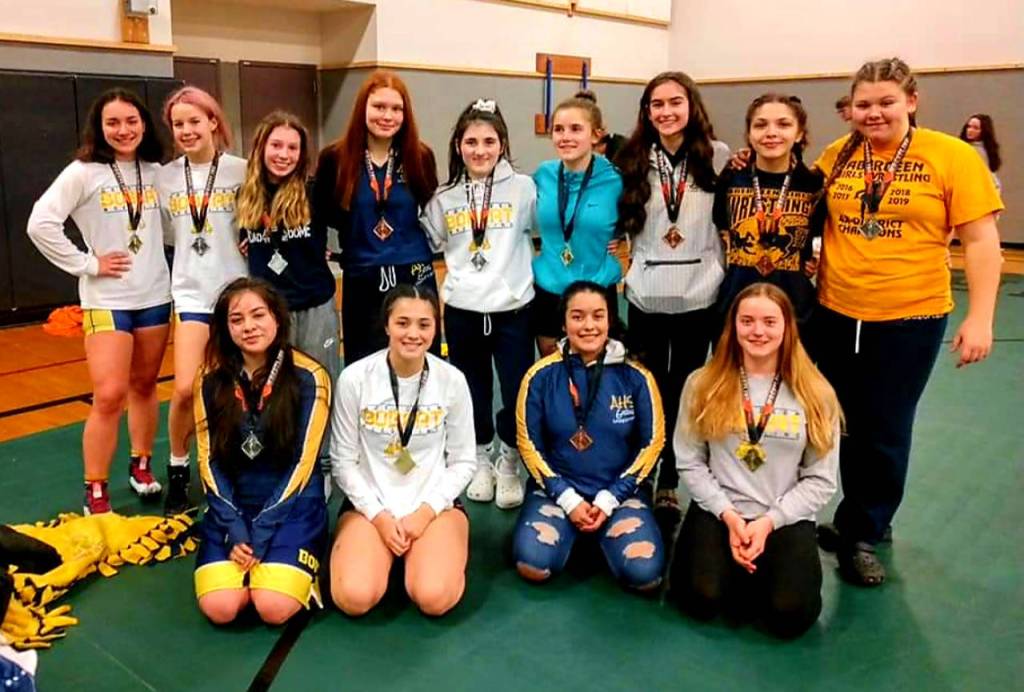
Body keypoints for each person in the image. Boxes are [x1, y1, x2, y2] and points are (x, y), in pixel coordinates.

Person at [813, 58, 1002, 586]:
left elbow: (982, 240)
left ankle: (864, 533)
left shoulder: (950, 156)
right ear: (851, 108)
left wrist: (981, 316)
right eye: (863, 104)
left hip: (908, 316)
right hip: (836, 309)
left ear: (911, 102)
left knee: (886, 428)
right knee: (845, 423)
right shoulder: (839, 154)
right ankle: (860, 513)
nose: (873, 113)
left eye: (886, 102)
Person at [27, 88, 170, 514]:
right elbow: (41, 223)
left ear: (144, 124)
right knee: (109, 394)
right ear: (99, 127)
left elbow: (173, 228)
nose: (123, 130)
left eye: (131, 121)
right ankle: (96, 487)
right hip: (106, 300)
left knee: (145, 386)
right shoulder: (82, 172)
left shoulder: (156, 172)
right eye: (113, 122)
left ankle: (141, 465)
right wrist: (88, 264)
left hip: (155, 296)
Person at [671, 283, 840, 638]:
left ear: (787, 328)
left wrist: (768, 522)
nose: (758, 331)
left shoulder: (816, 393)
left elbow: (821, 479)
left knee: (790, 616)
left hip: (781, 515)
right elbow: (689, 462)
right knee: (699, 600)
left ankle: (759, 564)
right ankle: (735, 562)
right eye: (746, 321)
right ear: (732, 328)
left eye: (769, 321)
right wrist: (729, 515)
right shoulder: (702, 383)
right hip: (721, 511)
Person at [615, 71, 728, 525]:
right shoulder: (630, 159)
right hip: (646, 294)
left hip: (699, 296)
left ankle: (668, 480)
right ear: (646, 111)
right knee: (647, 386)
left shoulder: (719, 158)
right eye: (656, 104)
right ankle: (641, 470)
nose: (666, 111)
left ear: (692, 105)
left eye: (674, 102)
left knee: (685, 389)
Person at [329, 285, 475, 617]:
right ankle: (378, 553)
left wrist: (425, 513)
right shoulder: (355, 378)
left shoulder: (452, 380)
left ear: (436, 328)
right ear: (386, 325)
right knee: (353, 597)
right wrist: (379, 518)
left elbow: (464, 461)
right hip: (370, 509)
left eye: (424, 324)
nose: (413, 333)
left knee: (434, 598)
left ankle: (427, 554)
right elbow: (343, 460)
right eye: (402, 323)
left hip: (433, 508)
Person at [192, 278, 330, 625]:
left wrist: (264, 529)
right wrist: (236, 526)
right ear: (225, 328)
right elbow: (208, 460)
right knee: (221, 608)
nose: (249, 326)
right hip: (233, 509)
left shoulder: (310, 376)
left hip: (293, 506)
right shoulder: (209, 378)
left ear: (278, 320)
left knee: (273, 607)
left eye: (258, 315)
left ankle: (303, 564)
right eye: (237, 319)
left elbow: (304, 462)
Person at [421, 99, 535, 509]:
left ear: (502, 144)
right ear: (457, 145)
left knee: (516, 386)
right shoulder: (445, 196)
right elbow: (428, 242)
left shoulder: (524, 189)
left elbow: (554, 226)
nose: (480, 150)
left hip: (513, 311)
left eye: (489, 141)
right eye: (471, 141)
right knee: (472, 390)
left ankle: (510, 460)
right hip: (464, 311)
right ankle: (481, 456)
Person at [515, 281, 665, 592]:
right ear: (563, 322)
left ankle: (601, 530)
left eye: (598, 316)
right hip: (557, 490)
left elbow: (652, 443)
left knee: (645, 575)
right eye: (578, 316)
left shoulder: (636, 377)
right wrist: (567, 498)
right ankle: (577, 530)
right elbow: (528, 444)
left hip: (619, 491)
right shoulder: (539, 376)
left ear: (610, 319)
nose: (588, 326)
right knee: (533, 565)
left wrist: (612, 497)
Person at [237, 112, 340, 494]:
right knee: (272, 389)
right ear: (261, 147)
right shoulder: (245, 196)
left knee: (320, 386)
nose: (283, 154)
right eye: (276, 145)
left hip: (315, 306)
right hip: (267, 314)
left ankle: (323, 465)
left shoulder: (316, 193)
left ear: (303, 153)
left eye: (292, 147)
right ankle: (283, 460)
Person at [158, 86, 248, 515]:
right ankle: (178, 466)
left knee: (237, 391)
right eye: (179, 124)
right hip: (192, 294)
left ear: (214, 121)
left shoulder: (242, 171)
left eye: (195, 121)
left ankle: (230, 467)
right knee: (182, 390)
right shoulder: (165, 177)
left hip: (238, 295)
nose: (187, 130)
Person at [314, 70, 440, 364]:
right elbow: (320, 214)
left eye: (397, 109)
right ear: (363, 109)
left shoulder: (420, 156)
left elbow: (433, 209)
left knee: (418, 359)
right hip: (363, 273)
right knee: (364, 363)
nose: (388, 116)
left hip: (413, 271)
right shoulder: (335, 158)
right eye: (379, 107)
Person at [713, 94, 824, 337]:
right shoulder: (731, 178)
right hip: (736, 306)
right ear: (749, 134)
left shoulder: (813, 185)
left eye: (783, 124)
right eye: (760, 125)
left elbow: (818, 242)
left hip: (794, 311)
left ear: (799, 134)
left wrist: (812, 260)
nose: (771, 132)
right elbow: (720, 228)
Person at [532, 91, 624, 358]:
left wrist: (620, 235)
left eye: (575, 129)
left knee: (597, 372)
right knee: (553, 371)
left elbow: (638, 216)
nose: (565, 137)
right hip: (550, 289)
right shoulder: (543, 175)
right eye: (558, 129)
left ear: (595, 135)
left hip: (596, 287)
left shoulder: (615, 179)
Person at [959, 113, 1002, 191]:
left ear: (983, 131)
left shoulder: (981, 150)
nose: (970, 130)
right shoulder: (962, 146)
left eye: (976, 128)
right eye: (969, 126)